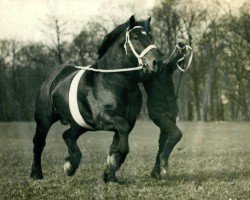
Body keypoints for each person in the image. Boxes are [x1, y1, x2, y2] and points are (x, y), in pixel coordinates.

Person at [143, 40, 188, 179]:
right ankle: (163, 159)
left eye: (156, 57)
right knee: (176, 134)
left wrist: (182, 49)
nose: (155, 60)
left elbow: (178, 59)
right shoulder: (145, 74)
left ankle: (156, 171)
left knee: (164, 140)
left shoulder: (165, 68)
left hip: (171, 111)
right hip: (157, 112)